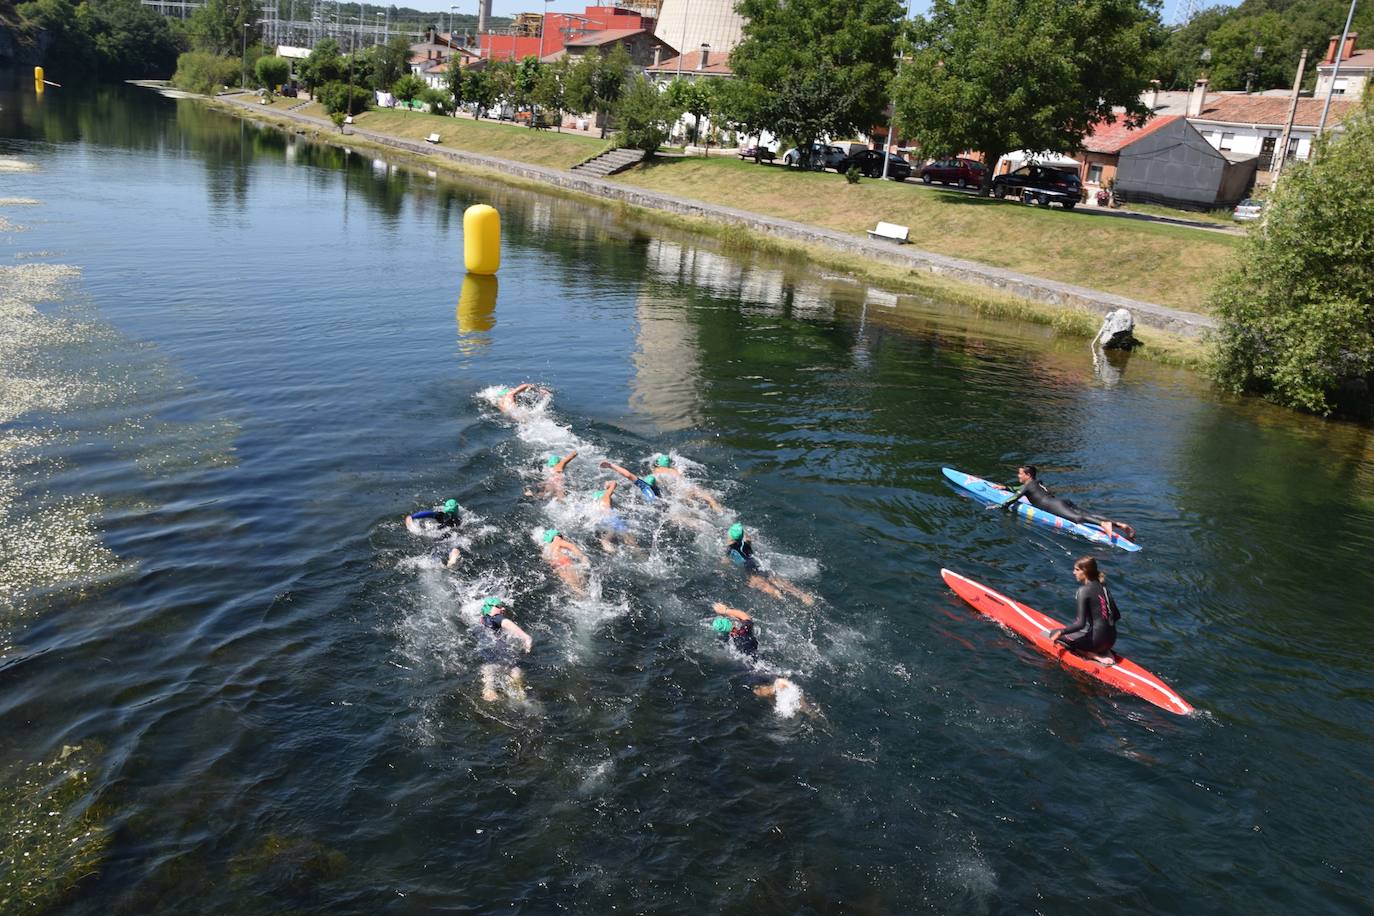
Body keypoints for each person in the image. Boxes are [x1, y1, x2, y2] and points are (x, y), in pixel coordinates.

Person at [710, 602, 816, 714]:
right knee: (769, 676)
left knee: (756, 690)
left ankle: (776, 687)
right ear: (731, 624)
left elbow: (720, 657)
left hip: (746, 666)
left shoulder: (726, 642)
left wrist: (716, 660)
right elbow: (745, 617)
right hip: (759, 658)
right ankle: (806, 708)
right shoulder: (744, 631)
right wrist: (726, 611)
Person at [995, 465, 1136, 542]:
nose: (1018, 476)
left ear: (1028, 475)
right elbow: (1019, 490)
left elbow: (1013, 498)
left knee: (1077, 519)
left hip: (1053, 506)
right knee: (1085, 514)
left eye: (1020, 474)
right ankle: (1118, 524)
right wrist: (1006, 488)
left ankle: (1103, 525)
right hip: (1061, 501)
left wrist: (999, 506)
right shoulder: (1038, 482)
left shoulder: (1027, 486)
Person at [1046, 557, 1120, 666]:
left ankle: (1092, 655)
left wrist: (1061, 632)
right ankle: (1104, 650)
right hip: (1111, 641)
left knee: (1054, 633)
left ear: (1084, 571)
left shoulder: (1083, 591)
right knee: (1088, 631)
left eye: (1076, 570)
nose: (1073, 572)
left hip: (1097, 642)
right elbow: (1117, 616)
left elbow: (1080, 624)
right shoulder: (1104, 588)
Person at [724, 523, 816, 606]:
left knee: (758, 582)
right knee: (775, 579)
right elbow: (748, 538)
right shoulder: (746, 543)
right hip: (756, 562)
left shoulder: (729, 549)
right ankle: (802, 595)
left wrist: (724, 565)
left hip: (748, 566)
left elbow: (726, 561)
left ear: (730, 537)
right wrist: (743, 532)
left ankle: (777, 594)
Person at [476, 596, 533, 701]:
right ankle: (520, 695)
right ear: (489, 608)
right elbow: (506, 622)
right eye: (499, 606)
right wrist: (526, 637)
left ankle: (490, 692)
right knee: (515, 672)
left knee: (489, 673)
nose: (503, 609)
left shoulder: (482, 621)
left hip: (490, 658)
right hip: (503, 658)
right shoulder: (495, 618)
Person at [649, 454, 722, 512]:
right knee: (708, 498)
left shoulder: (657, 470)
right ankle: (717, 508)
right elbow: (681, 479)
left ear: (657, 464)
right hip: (688, 486)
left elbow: (650, 480)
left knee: (683, 510)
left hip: (677, 491)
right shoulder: (674, 470)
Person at [404, 498, 462, 568]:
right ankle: (452, 560)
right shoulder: (458, 520)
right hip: (451, 537)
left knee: (437, 553)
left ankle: (437, 565)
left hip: (438, 538)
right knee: (454, 549)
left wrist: (411, 517)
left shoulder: (440, 515)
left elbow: (425, 513)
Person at [541, 527, 590, 595]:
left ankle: (580, 598)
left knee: (571, 585)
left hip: (555, 565)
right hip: (564, 562)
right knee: (580, 582)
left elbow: (545, 557)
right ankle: (586, 597)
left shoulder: (549, 547)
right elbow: (572, 547)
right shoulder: (559, 540)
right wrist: (582, 557)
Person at [592, 481, 636, 551]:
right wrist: (608, 485)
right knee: (630, 542)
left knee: (605, 541)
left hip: (606, 522)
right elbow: (614, 484)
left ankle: (613, 554)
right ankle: (640, 555)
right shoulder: (605, 498)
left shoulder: (598, 503)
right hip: (615, 521)